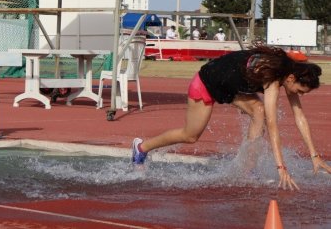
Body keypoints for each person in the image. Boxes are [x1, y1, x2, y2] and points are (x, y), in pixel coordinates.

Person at [131, 46, 330, 190]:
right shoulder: (274, 78)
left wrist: (315, 155)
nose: (300, 95)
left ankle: (247, 169)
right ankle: (141, 148)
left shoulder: (289, 74)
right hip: (206, 83)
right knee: (190, 136)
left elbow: (300, 116)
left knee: (258, 111)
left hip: (231, 87)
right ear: (291, 79)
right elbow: (273, 125)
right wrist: (281, 167)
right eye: (301, 91)